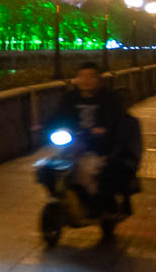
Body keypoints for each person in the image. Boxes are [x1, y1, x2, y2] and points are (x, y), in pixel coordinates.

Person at [49, 62, 142, 215]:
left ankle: (97, 207)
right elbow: (58, 115)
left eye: (91, 76)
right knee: (48, 169)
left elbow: (116, 123)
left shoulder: (109, 99)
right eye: (82, 76)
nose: (86, 80)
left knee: (90, 172)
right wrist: (44, 126)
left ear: (98, 79)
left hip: (101, 147)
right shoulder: (69, 98)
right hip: (75, 143)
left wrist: (103, 130)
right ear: (77, 78)